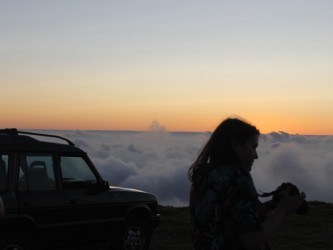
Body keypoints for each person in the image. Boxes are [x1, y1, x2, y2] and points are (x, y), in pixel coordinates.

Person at [188, 117, 305, 250]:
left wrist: (272, 205)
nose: (256, 156)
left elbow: (227, 215)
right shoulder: (238, 178)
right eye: (253, 147)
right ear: (236, 145)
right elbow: (252, 239)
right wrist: (283, 210)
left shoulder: (203, 174)